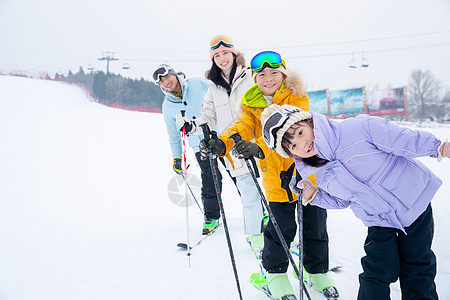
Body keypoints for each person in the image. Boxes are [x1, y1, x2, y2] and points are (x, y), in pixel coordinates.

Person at [261, 103, 450, 300]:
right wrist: (314, 195)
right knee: (377, 270)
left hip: (413, 204)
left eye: (300, 132)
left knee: (417, 265)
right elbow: (343, 201)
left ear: (309, 121)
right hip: (378, 219)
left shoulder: (358, 128)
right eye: (293, 145)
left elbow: (402, 140)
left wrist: (438, 147)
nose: (302, 144)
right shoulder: (319, 171)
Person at [199, 51, 337, 300]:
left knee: (315, 224)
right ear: (255, 79)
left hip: (308, 174)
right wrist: (222, 143)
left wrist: (258, 148)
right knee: (280, 228)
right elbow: (243, 127)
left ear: (284, 74)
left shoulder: (297, 97)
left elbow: (288, 130)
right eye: (262, 75)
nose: (268, 78)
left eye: (274, 73)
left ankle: (317, 270)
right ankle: (275, 274)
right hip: (275, 176)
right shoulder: (252, 103)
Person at [176, 35, 265, 253]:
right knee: (250, 197)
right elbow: (208, 115)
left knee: (276, 193)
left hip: (262, 145)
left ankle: (288, 237)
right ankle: (257, 242)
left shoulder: (251, 76)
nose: (222, 58)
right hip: (235, 150)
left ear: (234, 53)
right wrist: (192, 126)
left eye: (225, 52)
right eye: (216, 55)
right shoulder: (213, 88)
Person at [152, 64, 222, 235]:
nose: (166, 82)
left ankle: (259, 212)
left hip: (221, 135)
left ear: (174, 75)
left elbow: (220, 98)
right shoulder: (168, 107)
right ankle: (211, 217)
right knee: (210, 178)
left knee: (239, 173)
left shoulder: (197, 84)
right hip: (199, 145)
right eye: (161, 81)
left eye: (168, 77)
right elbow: (174, 135)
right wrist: (177, 158)